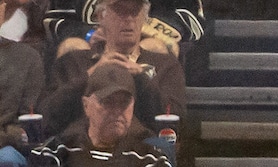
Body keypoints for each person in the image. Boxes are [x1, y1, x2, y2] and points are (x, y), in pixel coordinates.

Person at [20, 63, 172, 167]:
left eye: (124, 103)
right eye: (108, 102)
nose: (117, 110)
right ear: (86, 105)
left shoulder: (152, 161)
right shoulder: (51, 155)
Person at [38, 0, 186, 140]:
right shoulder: (74, 61)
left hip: (144, 153)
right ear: (101, 17)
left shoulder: (164, 64)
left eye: (135, 12)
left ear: (144, 19)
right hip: (81, 152)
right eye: (120, 11)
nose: (129, 19)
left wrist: (141, 79)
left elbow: (176, 121)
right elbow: (46, 119)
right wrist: (90, 76)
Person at [45, 0, 206, 58]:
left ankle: (157, 124)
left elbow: (192, 20)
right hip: (93, 49)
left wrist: (138, 28)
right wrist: (90, 34)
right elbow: (55, 19)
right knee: (72, 47)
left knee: (156, 48)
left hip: (147, 50)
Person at [0, 2, 45, 167]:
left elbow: (28, 128)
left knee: (8, 161)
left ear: (3, 10)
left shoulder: (28, 59)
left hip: (5, 150)